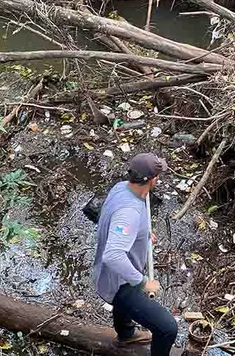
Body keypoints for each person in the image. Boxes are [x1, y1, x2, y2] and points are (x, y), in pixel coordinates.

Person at [93, 152, 178, 355]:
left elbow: (118, 221)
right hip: (119, 283)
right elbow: (113, 255)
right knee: (168, 328)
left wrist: (143, 233)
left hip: (110, 275)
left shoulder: (121, 187)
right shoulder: (129, 213)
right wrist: (143, 282)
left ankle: (126, 336)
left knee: (129, 309)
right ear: (152, 179)